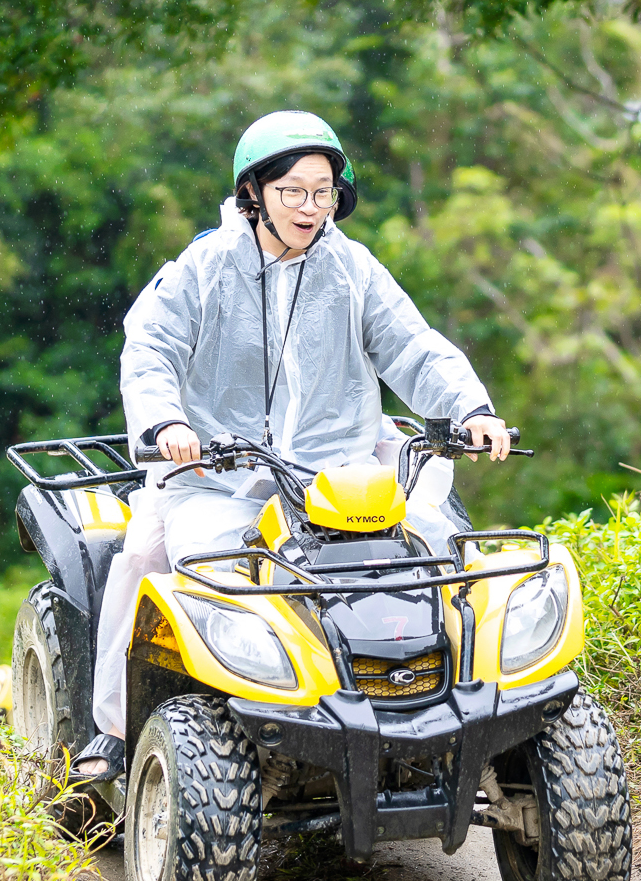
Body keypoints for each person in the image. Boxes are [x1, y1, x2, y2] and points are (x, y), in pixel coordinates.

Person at [80, 110, 511, 781]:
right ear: (254, 193)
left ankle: (433, 712)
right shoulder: (204, 265)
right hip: (216, 472)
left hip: (342, 473)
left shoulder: (352, 267)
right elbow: (152, 348)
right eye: (294, 191)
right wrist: (166, 423)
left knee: (436, 550)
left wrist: (471, 408)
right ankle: (111, 725)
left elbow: (413, 345)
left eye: (324, 190)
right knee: (147, 559)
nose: (312, 206)